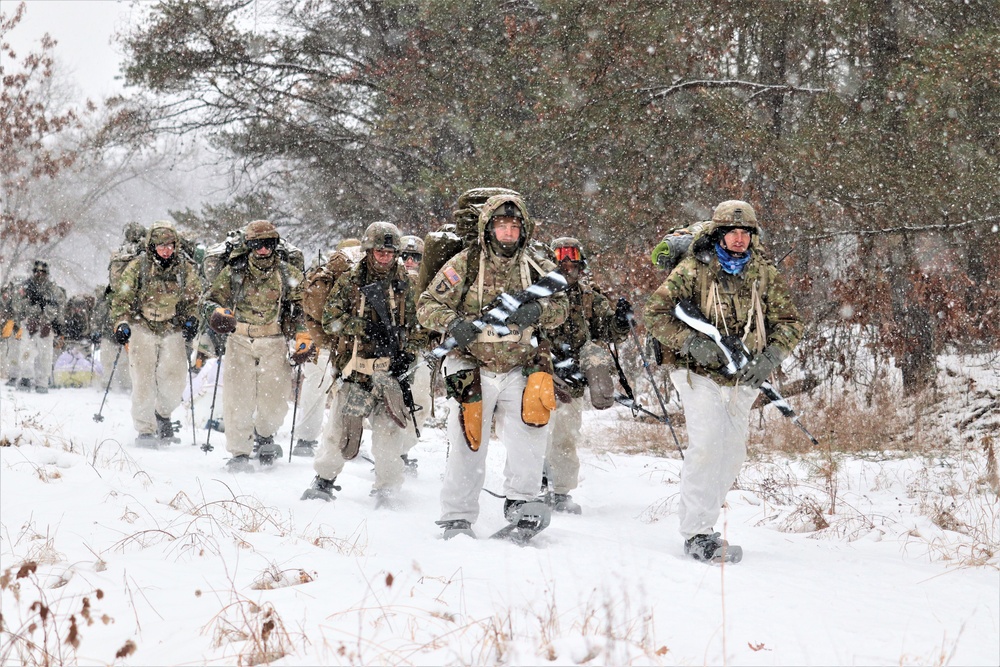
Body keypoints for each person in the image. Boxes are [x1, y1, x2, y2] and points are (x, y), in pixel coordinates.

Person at [644, 200, 803, 562]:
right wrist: (692, 343)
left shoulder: (763, 273)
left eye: (745, 233)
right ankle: (697, 532)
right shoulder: (694, 268)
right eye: (731, 232)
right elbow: (655, 313)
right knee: (706, 446)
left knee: (732, 454)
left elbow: (791, 322)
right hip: (698, 373)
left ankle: (706, 523)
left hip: (744, 375)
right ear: (718, 234)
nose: (738, 239)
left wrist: (770, 358)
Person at [417, 193, 568, 538]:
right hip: (472, 363)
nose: (509, 233)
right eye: (502, 225)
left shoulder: (536, 267)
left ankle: (523, 503)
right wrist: (454, 323)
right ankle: (457, 515)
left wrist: (539, 312)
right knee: (469, 440)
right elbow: (427, 305)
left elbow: (562, 307)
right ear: (488, 229)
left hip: (520, 364)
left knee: (530, 433)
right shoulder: (465, 264)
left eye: (515, 226)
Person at [302, 222, 420, 506]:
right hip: (356, 372)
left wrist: (409, 355)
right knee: (339, 432)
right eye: (379, 251)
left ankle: (387, 489)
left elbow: (420, 328)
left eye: (389, 251)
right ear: (369, 250)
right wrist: (364, 327)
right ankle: (324, 481)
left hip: (391, 374)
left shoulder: (407, 283)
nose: (384, 256)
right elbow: (331, 319)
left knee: (389, 435)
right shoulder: (351, 280)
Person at [205, 220, 311, 471]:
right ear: (249, 245)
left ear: (275, 245)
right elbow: (210, 299)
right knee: (238, 398)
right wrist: (216, 312)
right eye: (257, 245)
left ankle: (265, 435)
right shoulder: (234, 272)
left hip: (273, 339)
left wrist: (303, 337)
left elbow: (302, 310)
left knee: (274, 400)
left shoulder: (288, 274)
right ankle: (239, 452)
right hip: (239, 338)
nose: (263, 250)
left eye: (268, 244)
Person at [543, 237, 631, 514]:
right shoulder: (537, 294)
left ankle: (560, 490)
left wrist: (620, 319)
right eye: (561, 261)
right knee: (535, 432)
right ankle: (531, 485)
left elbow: (609, 332)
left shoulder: (589, 296)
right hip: (539, 371)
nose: (567, 267)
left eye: (573, 262)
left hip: (573, 377)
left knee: (566, 434)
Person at [110, 221, 203, 446]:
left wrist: (192, 320)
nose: (166, 250)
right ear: (152, 246)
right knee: (143, 380)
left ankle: (162, 414)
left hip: (172, 326)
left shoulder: (184, 268)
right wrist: (121, 323)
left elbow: (194, 299)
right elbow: (121, 298)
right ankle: (145, 429)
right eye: (161, 245)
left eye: (170, 245)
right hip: (142, 325)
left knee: (175, 380)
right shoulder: (138, 266)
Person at [292, 238, 362, 457]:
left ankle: (308, 438)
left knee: (322, 389)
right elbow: (310, 308)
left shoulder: (326, 273)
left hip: (333, 343)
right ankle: (313, 438)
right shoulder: (330, 276)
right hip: (329, 344)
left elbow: (305, 306)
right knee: (333, 390)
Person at [397, 234, 432, 472]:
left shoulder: (431, 284)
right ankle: (390, 452)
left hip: (421, 353)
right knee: (390, 404)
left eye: (415, 258)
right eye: (405, 256)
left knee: (420, 403)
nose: (410, 262)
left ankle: (402, 449)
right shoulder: (389, 281)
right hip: (392, 351)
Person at [9, 260, 66, 393]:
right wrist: (29, 315)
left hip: (47, 327)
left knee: (45, 356)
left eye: (43, 272)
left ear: (47, 274)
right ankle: (25, 378)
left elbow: (60, 307)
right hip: (28, 324)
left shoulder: (54, 289)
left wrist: (48, 321)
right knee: (26, 352)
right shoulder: (25, 287)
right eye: (37, 271)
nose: (39, 274)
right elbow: (16, 306)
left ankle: (42, 382)